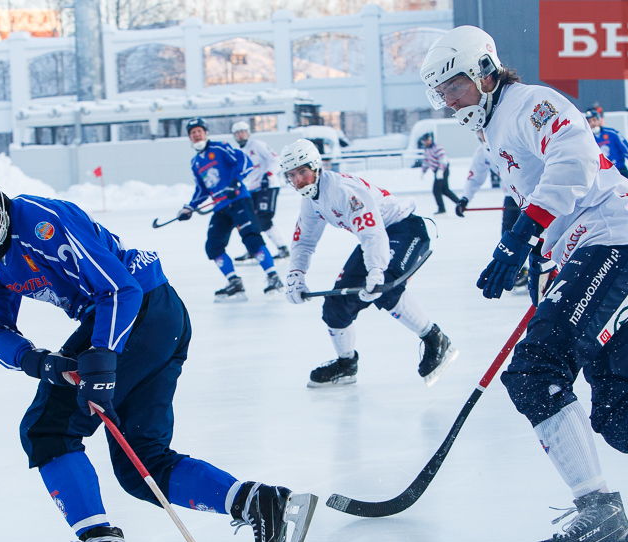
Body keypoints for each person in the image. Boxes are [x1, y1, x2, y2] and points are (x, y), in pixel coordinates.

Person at [0, 155, 316, 542]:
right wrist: (40, 362)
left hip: (139, 310)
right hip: (149, 320)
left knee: (48, 428)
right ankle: (260, 503)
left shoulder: (42, 220)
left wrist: (102, 360)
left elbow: (118, 289)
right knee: (141, 464)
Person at [421, 25, 628, 542]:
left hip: (616, 240)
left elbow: (576, 156)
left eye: (455, 85)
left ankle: (598, 511)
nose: (449, 100)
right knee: (623, 414)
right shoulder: (494, 128)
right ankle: (604, 512)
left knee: (535, 372)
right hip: (627, 248)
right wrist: (539, 261)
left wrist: (520, 236)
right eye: (441, 93)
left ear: (485, 72)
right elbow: (552, 203)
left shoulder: (527, 103)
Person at [280, 138, 458, 388]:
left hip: (405, 229)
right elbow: (304, 242)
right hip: (375, 238)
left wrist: (376, 270)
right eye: (292, 175)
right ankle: (346, 365)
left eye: (303, 172)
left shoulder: (342, 190)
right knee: (335, 306)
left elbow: (372, 232)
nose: (298, 180)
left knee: (384, 286)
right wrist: (296, 275)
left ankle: (435, 338)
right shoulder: (310, 202)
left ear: (316, 167)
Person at [176, 118, 283, 301]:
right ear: (189, 137)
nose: (196, 135)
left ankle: (273, 277)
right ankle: (234, 282)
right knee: (213, 246)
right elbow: (202, 190)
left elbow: (244, 162)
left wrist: (235, 183)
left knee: (251, 239)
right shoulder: (195, 162)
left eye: (199, 131)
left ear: (206, 133)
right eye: (192, 132)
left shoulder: (220, 147)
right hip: (221, 207)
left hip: (239, 200)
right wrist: (189, 207)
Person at [457, 130, 528, 291]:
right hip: (511, 195)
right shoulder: (482, 152)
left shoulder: (507, 142)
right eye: (480, 133)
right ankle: (519, 271)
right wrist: (465, 199)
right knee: (509, 235)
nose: (484, 136)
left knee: (536, 232)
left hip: (531, 192)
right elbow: (474, 177)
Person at [230, 120, 289, 262]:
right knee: (251, 220)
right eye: (237, 133)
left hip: (267, 186)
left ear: (248, 133)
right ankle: (253, 249)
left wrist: (268, 174)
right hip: (252, 189)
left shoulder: (257, 145)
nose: (240, 135)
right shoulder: (238, 152)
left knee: (264, 219)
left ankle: (282, 248)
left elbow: (275, 159)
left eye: (243, 132)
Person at [586, 109, 628, 182]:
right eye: (589, 121)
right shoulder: (587, 137)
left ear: (599, 120)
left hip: (619, 169)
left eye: (594, 120)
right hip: (601, 173)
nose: (593, 123)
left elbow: (624, 148)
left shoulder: (612, 133)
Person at [419, 133, 461, 215]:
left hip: (442, 170)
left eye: (427, 140)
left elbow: (443, 159)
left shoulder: (437, 147)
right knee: (445, 190)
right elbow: (426, 161)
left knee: (436, 190)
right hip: (436, 171)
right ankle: (460, 203)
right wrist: (423, 171)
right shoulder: (427, 150)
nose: (426, 142)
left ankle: (442, 208)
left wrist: (441, 170)